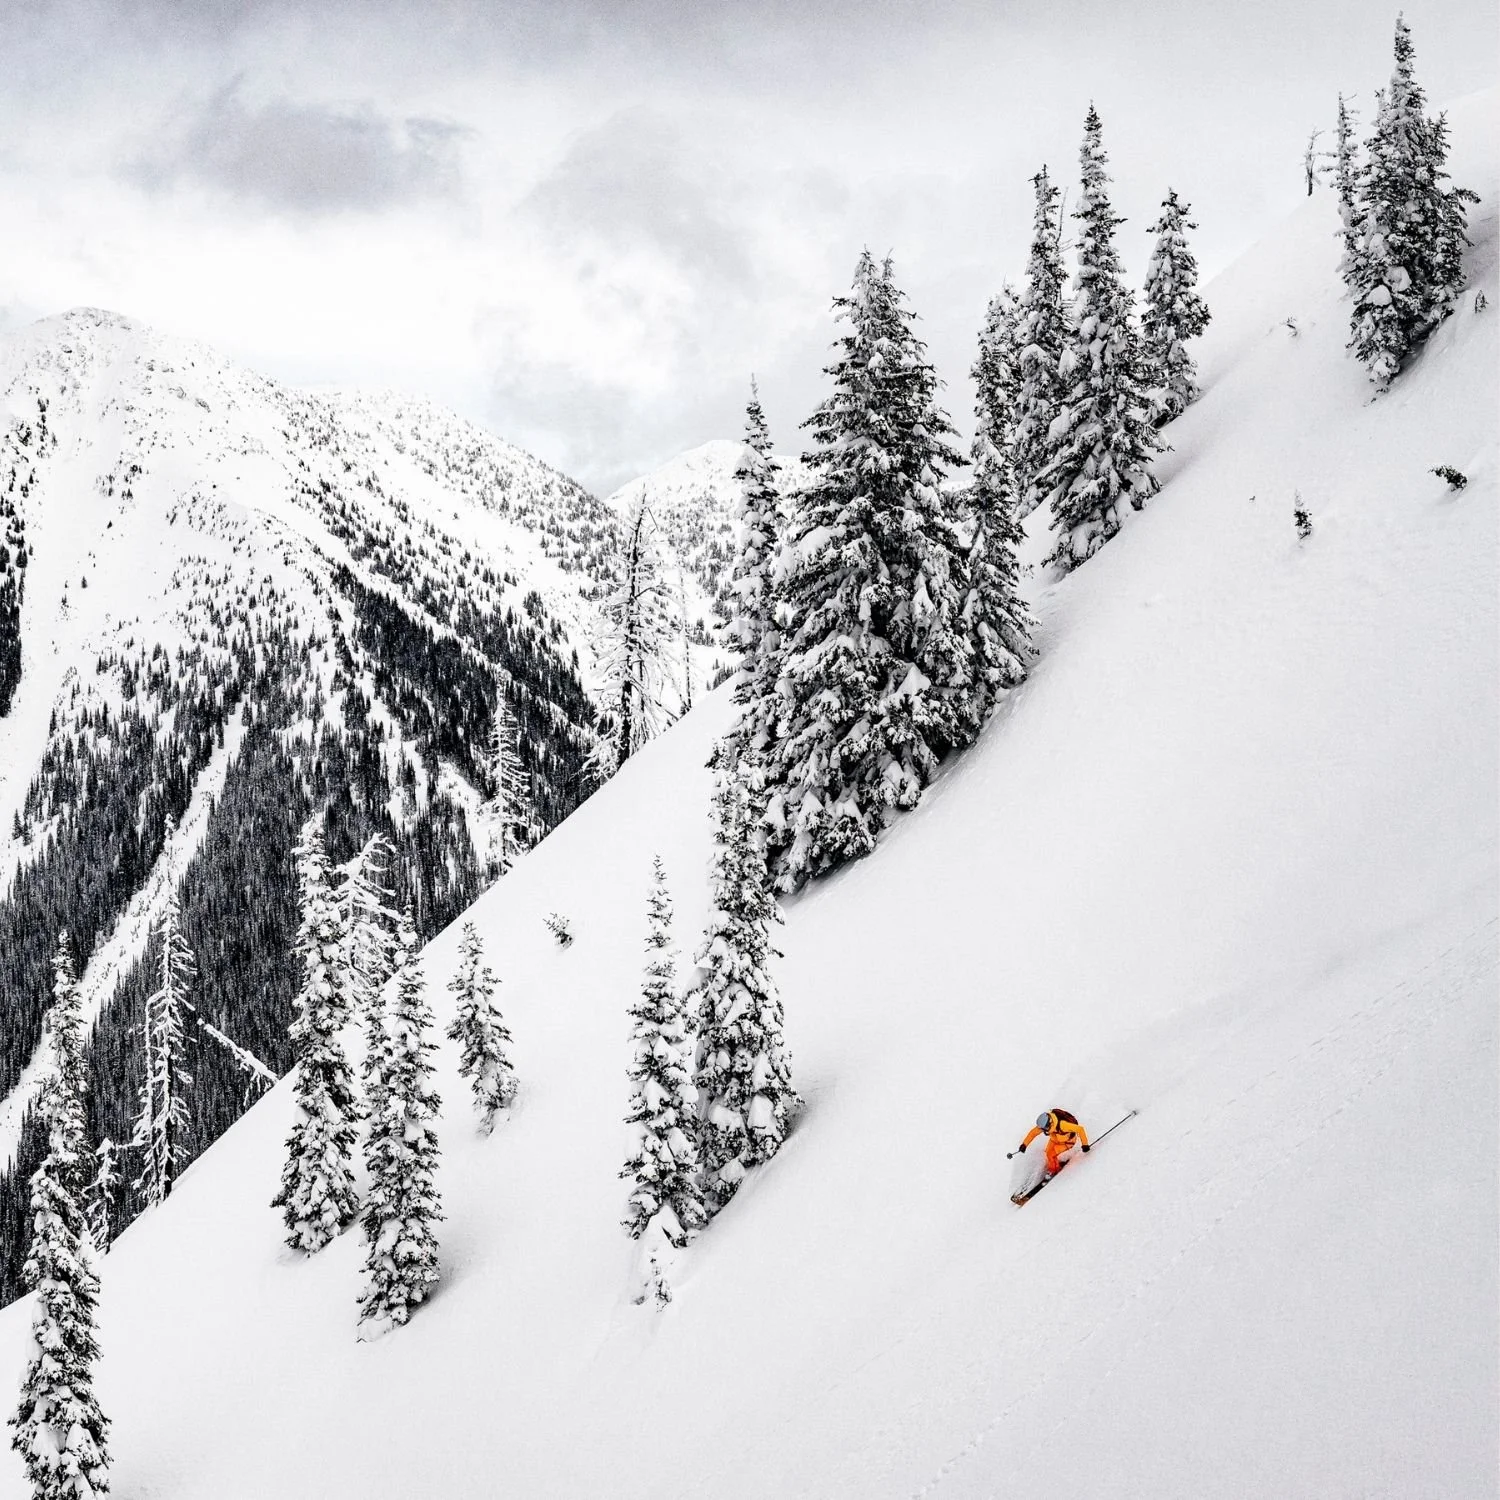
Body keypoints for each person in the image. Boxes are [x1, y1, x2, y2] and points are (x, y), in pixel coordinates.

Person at [1013, 1108, 1090, 1179]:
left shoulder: (1063, 1125)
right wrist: (1024, 1144)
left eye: (1045, 1129)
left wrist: (1085, 1145)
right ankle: (1054, 1165)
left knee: (1050, 1154)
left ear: (1050, 1123)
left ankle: (1053, 1171)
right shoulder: (1045, 1125)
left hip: (1067, 1142)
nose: (1044, 1131)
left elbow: (1080, 1129)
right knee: (1047, 1152)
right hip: (1055, 1139)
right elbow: (1033, 1133)